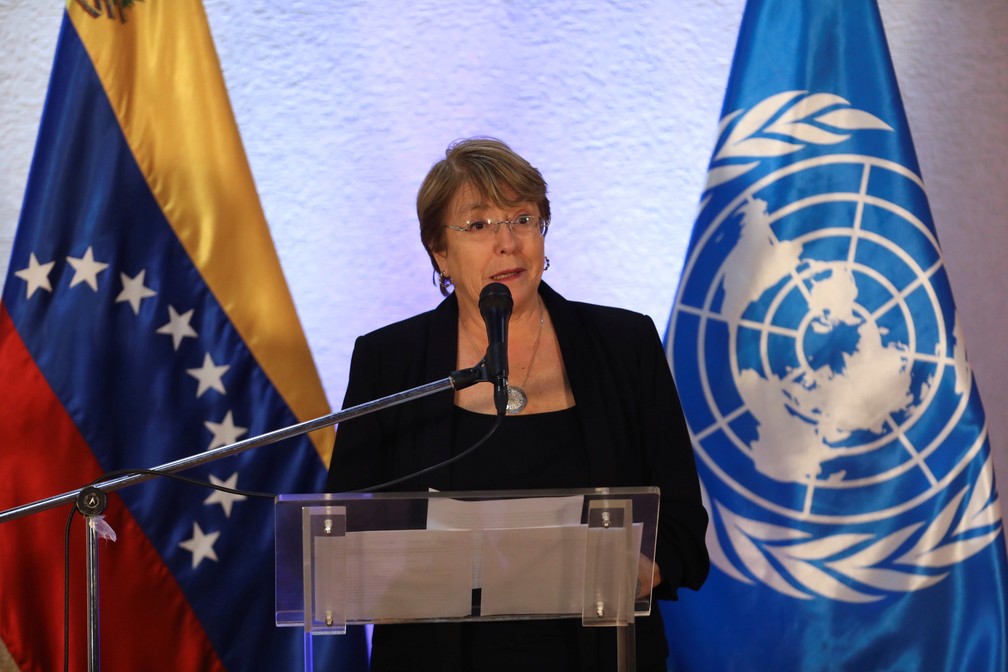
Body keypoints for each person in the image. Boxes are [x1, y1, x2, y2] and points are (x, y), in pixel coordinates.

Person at [326, 137, 709, 671]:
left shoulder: (624, 345)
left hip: (600, 653)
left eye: (523, 219)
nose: (507, 243)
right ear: (440, 250)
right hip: (438, 658)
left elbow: (683, 526)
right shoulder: (390, 361)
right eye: (479, 225)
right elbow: (344, 537)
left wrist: (640, 570)